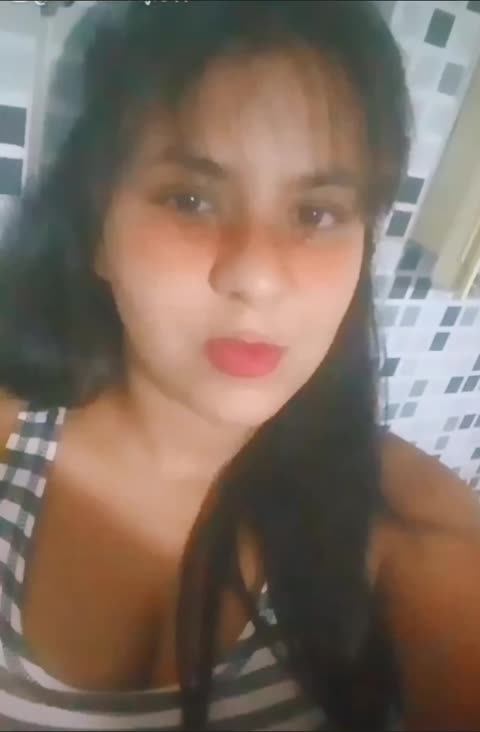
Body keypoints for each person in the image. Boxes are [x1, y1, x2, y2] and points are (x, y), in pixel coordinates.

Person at [0, 1, 480, 729]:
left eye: (316, 213)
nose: (256, 275)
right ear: (99, 234)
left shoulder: (415, 526)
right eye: (191, 199)